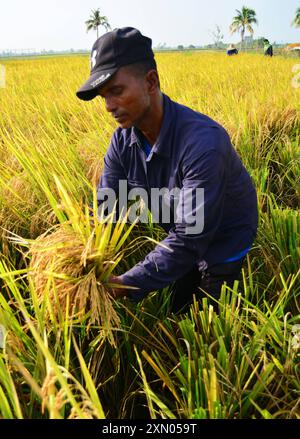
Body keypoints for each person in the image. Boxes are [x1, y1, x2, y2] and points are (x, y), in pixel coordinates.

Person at [76, 27, 258, 314]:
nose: (109, 106)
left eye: (116, 91)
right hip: (182, 232)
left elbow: (191, 235)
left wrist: (126, 283)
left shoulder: (202, 143)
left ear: (151, 81)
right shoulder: (123, 142)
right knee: (177, 308)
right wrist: (81, 255)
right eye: (103, 97)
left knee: (205, 328)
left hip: (224, 238)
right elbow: (106, 210)